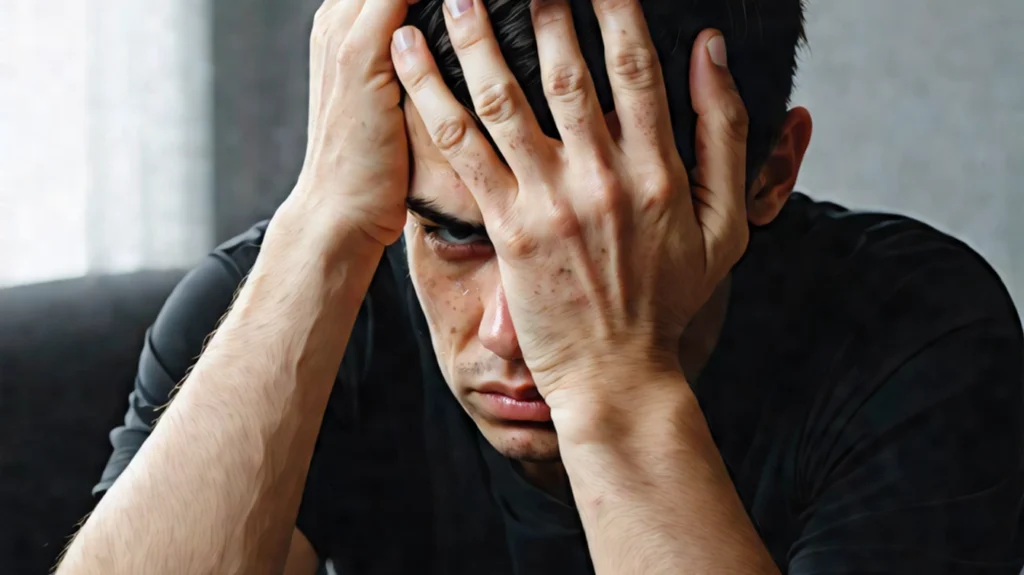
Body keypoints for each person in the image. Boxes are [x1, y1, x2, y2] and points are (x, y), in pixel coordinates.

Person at [56, 0, 1024, 573]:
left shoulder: (918, 337)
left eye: (601, 242)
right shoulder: (296, 293)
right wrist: (319, 224)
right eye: (456, 236)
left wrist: (611, 378)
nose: (513, 331)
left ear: (766, 171)